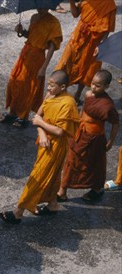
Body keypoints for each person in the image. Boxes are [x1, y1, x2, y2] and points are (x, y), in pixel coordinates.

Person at [0, 71, 79, 224]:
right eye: (48, 84)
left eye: (52, 85)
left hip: (56, 145)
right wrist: (41, 133)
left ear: (62, 87)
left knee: (39, 176)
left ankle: (18, 212)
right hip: (45, 142)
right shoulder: (50, 96)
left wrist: (41, 125)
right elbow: (38, 117)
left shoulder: (68, 104)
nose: (48, 88)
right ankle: (52, 204)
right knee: (52, 175)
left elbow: (60, 131)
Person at [58, 70, 119, 202]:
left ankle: (97, 189)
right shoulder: (88, 95)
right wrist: (76, 127)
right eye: (92, 83)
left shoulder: (107, 105)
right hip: (81, 133)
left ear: (106, 87)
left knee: (94, 164)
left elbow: (115, 123)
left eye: (98, 85)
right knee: (71, 161)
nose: (93, 87)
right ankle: (62, 190)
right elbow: (83, 110)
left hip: (95, 138)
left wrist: (110, 142)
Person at [1, 8, 62, 128]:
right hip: (25, 54)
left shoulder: (53, 23)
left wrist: (44, 67)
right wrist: (22, 31)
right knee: (15, 82)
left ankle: (23, 116)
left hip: (37, 58)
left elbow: (52, 47)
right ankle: (13, 111)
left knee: (29, 87)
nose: (40, 9)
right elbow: (30, 35)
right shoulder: (34, 17)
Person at [55, 0, 116, 103]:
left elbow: (107, 28)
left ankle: (78, 94)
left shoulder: (109, 4)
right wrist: (71, 2)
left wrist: (102, 44)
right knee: (65, 62)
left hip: (94, 41)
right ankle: (59, 91)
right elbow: (75, 14)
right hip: (78, 37)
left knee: (87, 68)